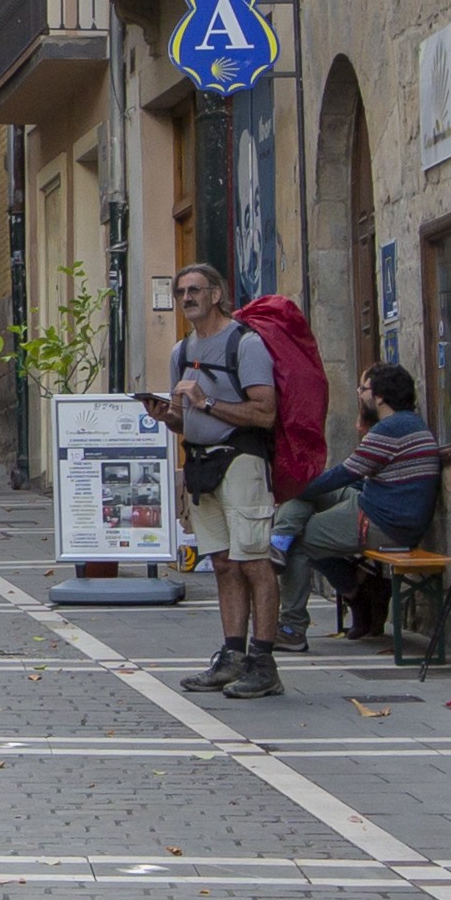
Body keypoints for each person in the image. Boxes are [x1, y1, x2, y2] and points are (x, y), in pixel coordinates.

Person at [162, 261, 287, 699]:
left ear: (216, 294)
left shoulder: (244, 344)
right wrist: (170, 418)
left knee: (254, 559)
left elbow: (265, 413)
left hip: (241, 460)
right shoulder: (181, 351)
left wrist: (207, 401)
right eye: (180, 292)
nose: (187, 298)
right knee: (222, 562)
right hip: (201, 466)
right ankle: (232, 655)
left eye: (195, 289)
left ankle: (264, 661)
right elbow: (185, 418)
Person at [275, 362, 441, 648]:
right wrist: (297, 489)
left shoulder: (390, 429)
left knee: (299, 542)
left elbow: (345, 473)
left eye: (362, 389)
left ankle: (292, 628)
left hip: (383, 523)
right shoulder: (406, 423)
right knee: (304, 500)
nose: (358, 395)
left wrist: (294, 487)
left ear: (378, 396)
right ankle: (279, 540)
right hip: (376, 504)